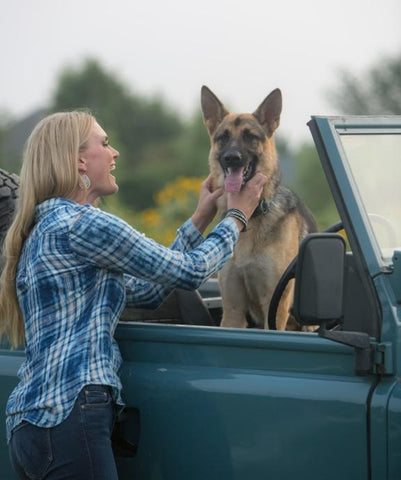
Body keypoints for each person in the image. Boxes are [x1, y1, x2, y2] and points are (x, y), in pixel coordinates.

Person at [0, 111, 266, 479]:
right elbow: (188, 272)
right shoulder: (83, 224)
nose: (115, 154)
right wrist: (237, 217)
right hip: (69, 417)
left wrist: (200, 219)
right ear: (79, 160)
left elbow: (145, 292)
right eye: (105, 144)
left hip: (32, 427)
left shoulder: (46, 226)